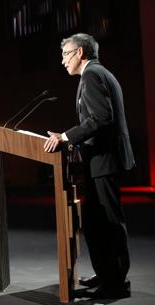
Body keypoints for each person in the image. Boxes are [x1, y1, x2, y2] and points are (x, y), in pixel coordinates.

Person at [43, 33, 134, 299]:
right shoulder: (97, 74)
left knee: (108, 222)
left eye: (66, 54)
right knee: (96, 222)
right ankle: (107, 275)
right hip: (101, 160)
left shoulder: (92, 75)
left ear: (80, 52)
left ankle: (115, 282)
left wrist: (66, 137)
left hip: (105, 161)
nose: (63, 61)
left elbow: (101, 119)